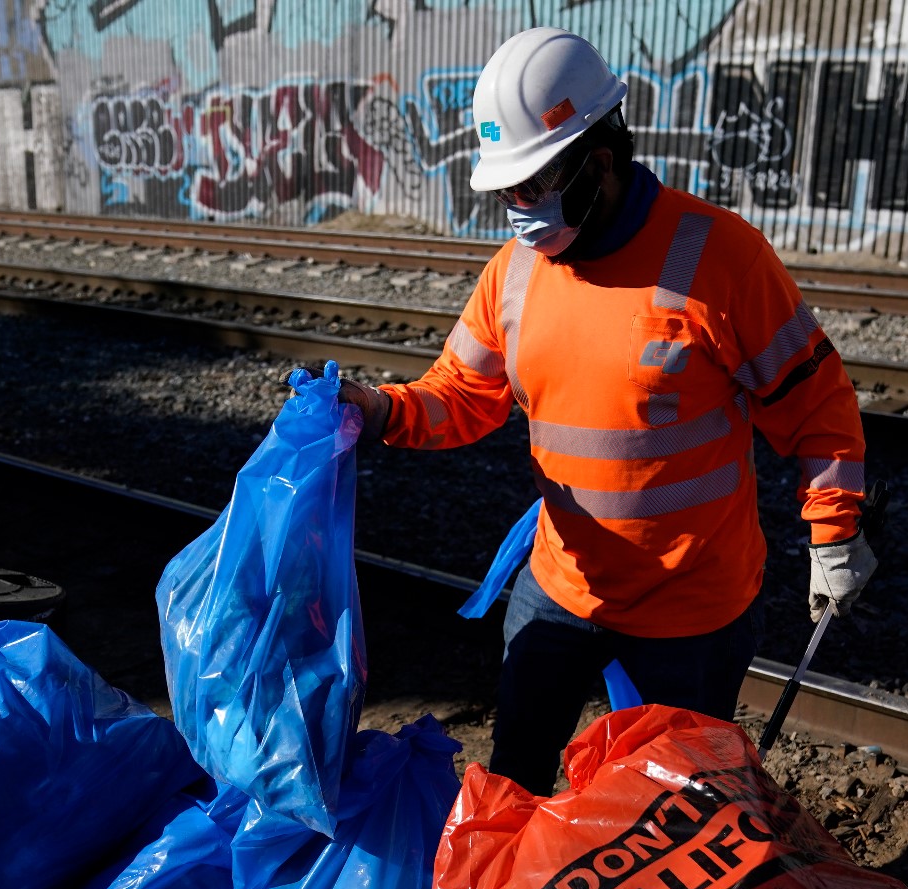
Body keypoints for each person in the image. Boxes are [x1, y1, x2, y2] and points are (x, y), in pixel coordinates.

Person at [337, 28, 874, 794]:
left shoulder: (720, 257)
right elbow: (461, 393)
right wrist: (378, 411)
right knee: (517, 772)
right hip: (562, 585)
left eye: (532, 189)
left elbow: (815, 401)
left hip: (692, 608)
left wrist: (834, 532)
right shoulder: (513, 276)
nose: (518, 213)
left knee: (674, 807)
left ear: (599, 162)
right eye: (505, 195)